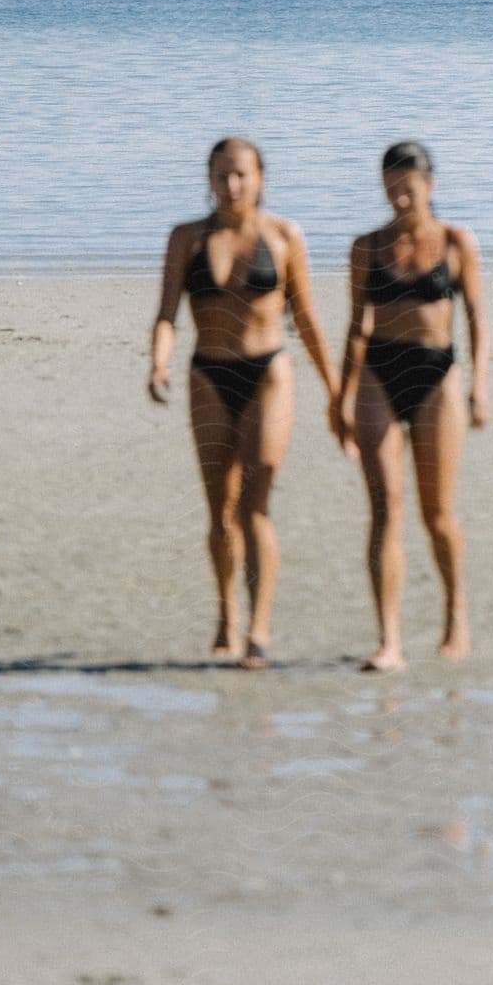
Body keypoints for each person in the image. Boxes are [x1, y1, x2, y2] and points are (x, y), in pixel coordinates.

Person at [149, 136, 346, 669]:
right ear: (208, 180)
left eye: (241, 175)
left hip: (268, 375)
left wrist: (335, 391)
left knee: (256, 504)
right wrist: (159, 361)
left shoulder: (283, 236)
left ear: (260, 178)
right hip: (208, 374)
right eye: (221, 176)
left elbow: (305, 318)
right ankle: (225, 615)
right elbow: (168, 310)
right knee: (220, 511)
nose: (231, 186)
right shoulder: (187, 238)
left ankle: (257, 631)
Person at [338, 141, 489, 670]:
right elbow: (357, 326)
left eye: (410, 189)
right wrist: (342, 394)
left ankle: (455, 614)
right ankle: (390, 641)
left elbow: (477, 318)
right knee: (385, 510)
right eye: (391, 189)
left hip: (437, 377)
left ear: (430, 186)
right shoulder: (367, 247)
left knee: (437, 513)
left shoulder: (455, 243)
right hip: (379, 377)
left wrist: (479, 385)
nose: (401, 200)